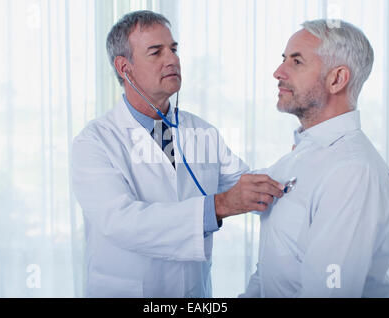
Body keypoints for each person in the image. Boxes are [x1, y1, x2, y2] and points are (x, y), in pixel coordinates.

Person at [71, 10, 284, 298]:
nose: (171, 59)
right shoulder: (95, 142)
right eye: (155, 52)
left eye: (173, 49)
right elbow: (121, 221)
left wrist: (301, 160)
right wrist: (217, 207)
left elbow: (246, 183)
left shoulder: (201, 131)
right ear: (125, 67)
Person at [240, 19, 389, 298]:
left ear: (336, 79)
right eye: (284, 59)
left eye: (297, 62)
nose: (278, 72)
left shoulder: (352, 171)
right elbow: (272, 267)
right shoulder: (299, 156)